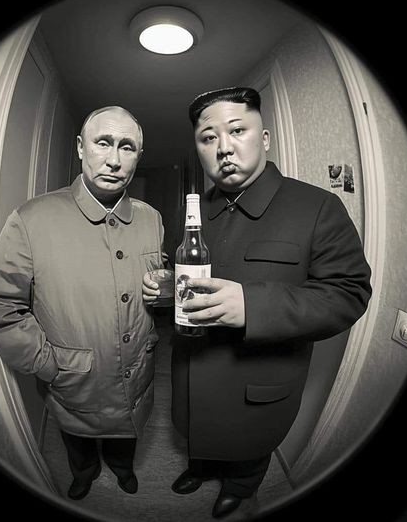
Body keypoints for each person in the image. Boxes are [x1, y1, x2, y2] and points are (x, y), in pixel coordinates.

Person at [143, 87, 372, 518]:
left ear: (264, 139)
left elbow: (349, 293)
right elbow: (190, 275)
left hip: (257, 384)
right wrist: (168, 287)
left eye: (237, 130)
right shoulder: (194, 211)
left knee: (248, 451)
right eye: (208, 137)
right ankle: (200, 468)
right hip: (192, 372)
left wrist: (251, 306)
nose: (223, 147)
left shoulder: (317, 207)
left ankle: (239, 487)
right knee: (197, 432)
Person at [0, 106, 165, 501]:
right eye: (103, 143)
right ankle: (85, 473)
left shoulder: (152, 218)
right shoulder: (31, 218)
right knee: (77, 444)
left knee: (126, 436)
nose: (114, 159)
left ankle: (122, 468)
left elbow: (155, 276)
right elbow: (1, 304)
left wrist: (162, 289)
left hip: (137, 374)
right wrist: (47, 364)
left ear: (138, 156)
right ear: (81, 147)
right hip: (74, 380)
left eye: (127, 147)